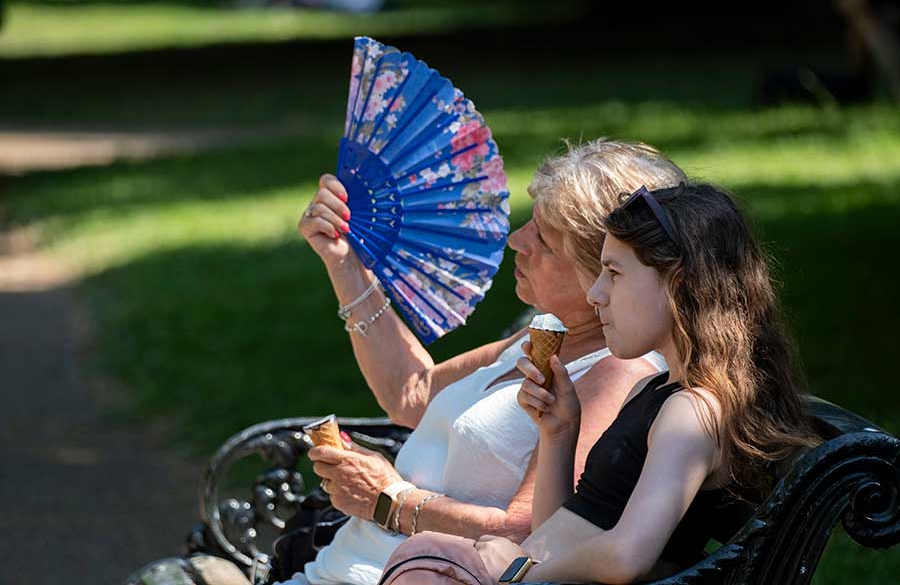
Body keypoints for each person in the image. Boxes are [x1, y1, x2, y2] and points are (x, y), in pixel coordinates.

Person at [272, 140, 687, 585]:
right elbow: (410, 391)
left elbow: (536, 537)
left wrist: (388, 500)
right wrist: (345, 265)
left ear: (604, 268)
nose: (517, 240)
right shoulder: (543, 339)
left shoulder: (617, 374)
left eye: (544, 239)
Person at [382, 183, 820, 584]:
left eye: (614, 273)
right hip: (535, 572)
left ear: (679, 284)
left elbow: (627, 558)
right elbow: (564, 526)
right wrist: (558, 433)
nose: (596, 294)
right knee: (427, 557)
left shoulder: (692, 413)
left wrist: (519, 573)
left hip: (528, 577)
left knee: (427, 561)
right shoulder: (657, 392)